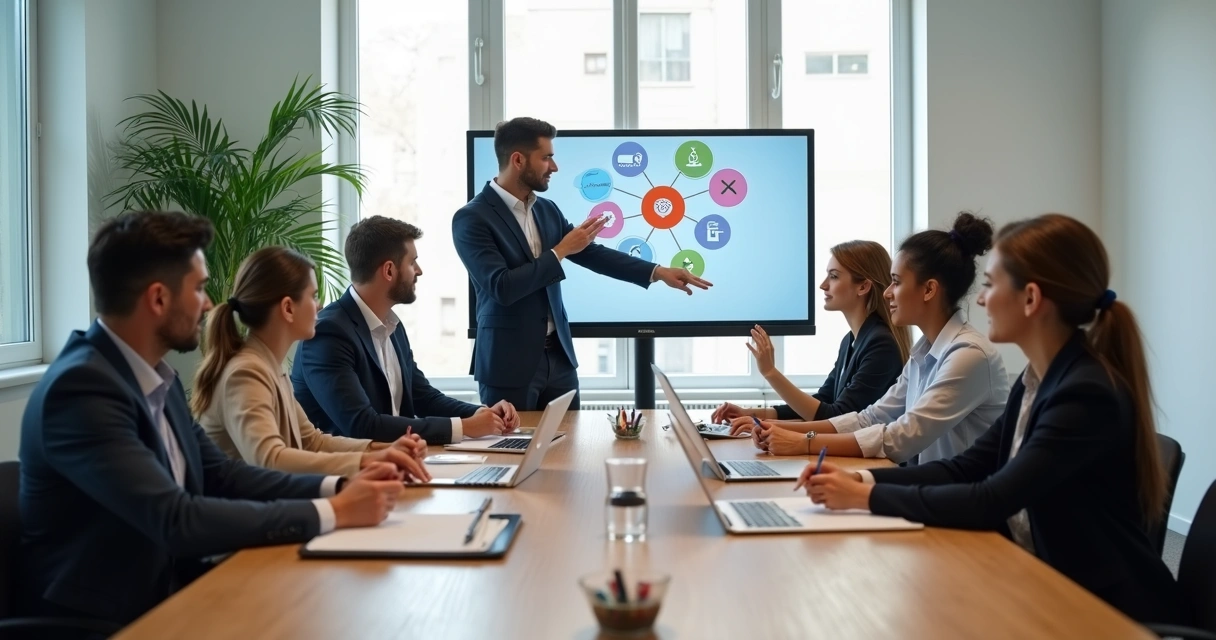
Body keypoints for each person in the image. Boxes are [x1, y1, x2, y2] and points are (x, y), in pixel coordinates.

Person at [17, 211, 406, 627]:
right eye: (199, 288)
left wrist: (340, 487)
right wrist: (334, 512)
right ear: (158, 299)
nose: (209, 303)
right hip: (110, 618)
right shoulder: (82, 389)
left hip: (171, 587)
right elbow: (176, 519)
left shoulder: (147, 376)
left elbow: (223, 475)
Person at [801, 213, 1188, 626]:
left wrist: (864, 497)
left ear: (1031, 298)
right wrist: (861, 481)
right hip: (1045, 575)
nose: (980, 300)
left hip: (1101, 607)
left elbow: (993, 499)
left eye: (990, 285)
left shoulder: (1084, 394)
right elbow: (965, 468)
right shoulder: (1037, 380)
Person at [452, 117, 712, 411]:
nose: (554, 166)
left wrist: (657, 272)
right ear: (518, 160)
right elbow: (502, 287)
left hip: (560, 362)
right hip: (508, 365)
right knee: (514, 450)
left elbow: (591, 253)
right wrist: (561, 250)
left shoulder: (546, 210)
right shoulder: (472, 218)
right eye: (547, 157)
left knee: (569, 450)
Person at [754, 213, 1010, 462]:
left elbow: (900, 438)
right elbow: (869, 418)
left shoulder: (969, 355)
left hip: (959, 500)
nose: (887, 293)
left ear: (929, 289)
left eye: (896, 282)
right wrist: (779, 429)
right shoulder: (923, 354)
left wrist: (803, 442)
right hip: (930, 492)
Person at [195, 247, 433, 480]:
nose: (319, 305)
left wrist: (385, 451)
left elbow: (312, 441)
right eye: (313, 295)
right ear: (288, 308)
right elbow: (269, 459)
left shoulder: (269, 366)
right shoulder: (246, 373)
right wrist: (367, 461)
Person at [292, 216, 519, 445]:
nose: (419, 271)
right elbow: (361, 425)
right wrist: (464, 427)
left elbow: (422, 396)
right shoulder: (329, 333)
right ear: (389, 271)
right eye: (413, 262)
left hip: (395, 462)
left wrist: (481, 413)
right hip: (347, 473)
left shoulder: (393, 326)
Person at [711, 240, 911, 430]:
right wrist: (751, 413)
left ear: (863, 287)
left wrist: (770, 373)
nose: (823, 285)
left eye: (833, 276)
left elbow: (835, 417)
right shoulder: (851, 340)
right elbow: (823, 401)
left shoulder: (881, 345)